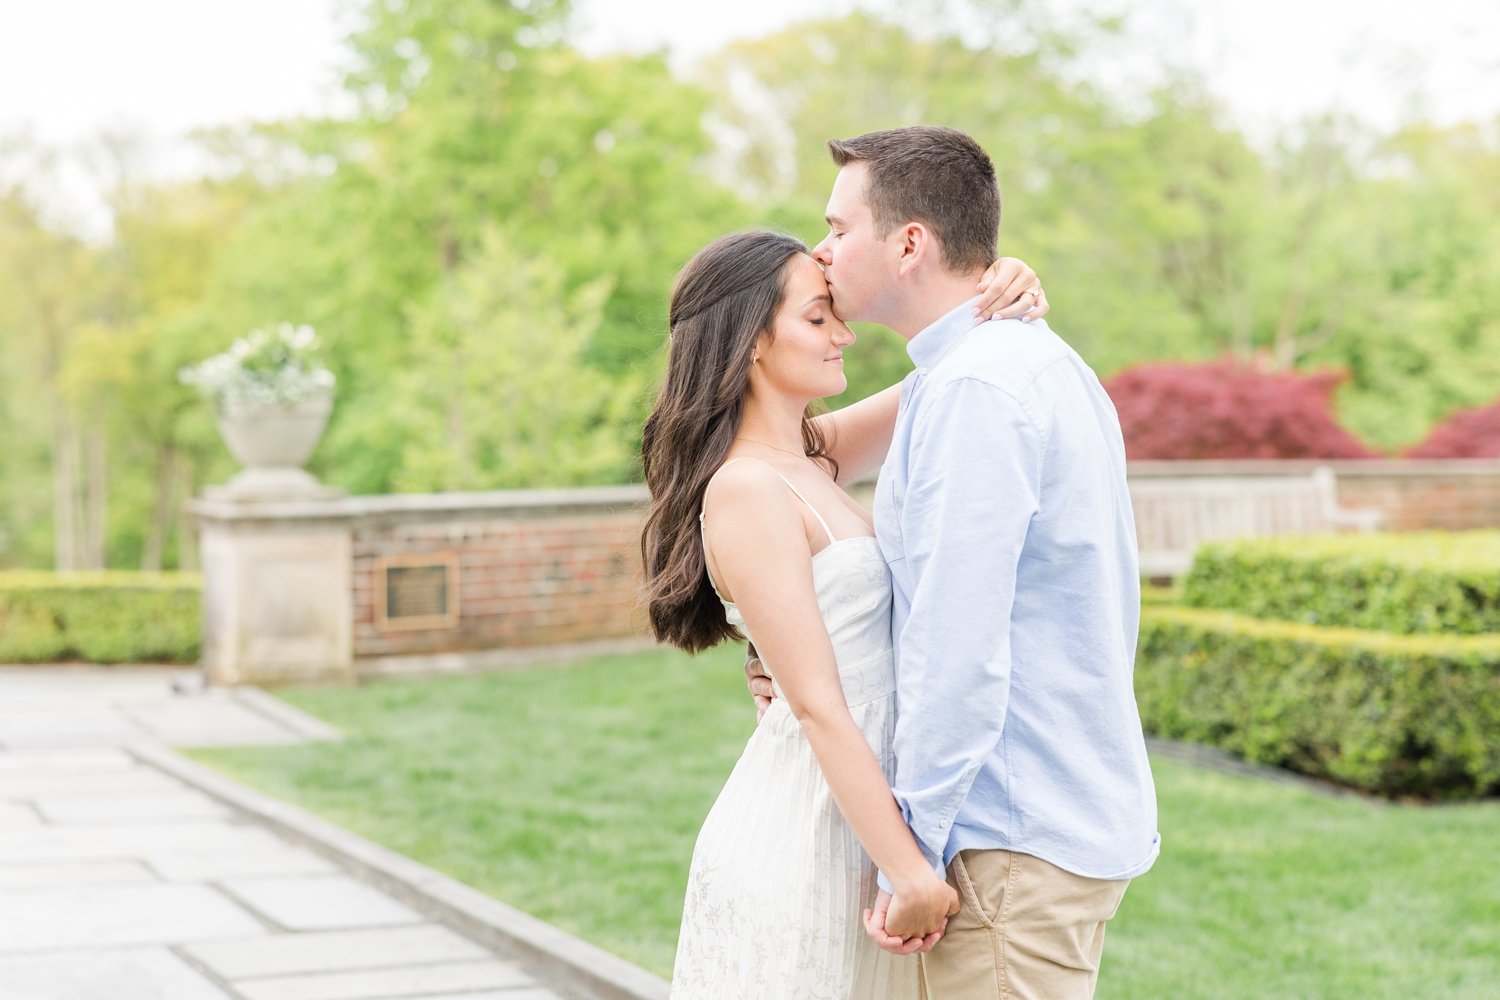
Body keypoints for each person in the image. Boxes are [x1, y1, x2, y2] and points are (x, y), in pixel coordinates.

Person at [748, 125, 1160, 999]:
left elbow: (958, 643)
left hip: (1000, 839)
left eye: (837, 228)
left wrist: (916, 855)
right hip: (1029, 826)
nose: (824, 254)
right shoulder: (996, 366)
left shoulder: (978, 388)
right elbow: (778, 477)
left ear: (908, 243)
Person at [641, 229, 1047, 997]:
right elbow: (820, 705)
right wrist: (908, 869)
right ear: (751, 341)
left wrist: (1002, 290)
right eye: (818, 317)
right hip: (806, 832)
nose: (845, 333)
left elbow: (943, 373)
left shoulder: (810, 455)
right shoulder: (747, 489)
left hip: (859, 822)